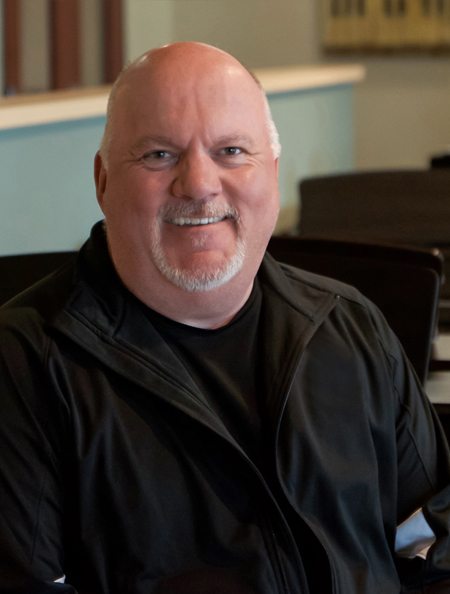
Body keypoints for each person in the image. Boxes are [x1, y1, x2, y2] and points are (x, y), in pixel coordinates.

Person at [0, 42, 450, 594]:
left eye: (232, 150)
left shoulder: (352, 328)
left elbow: (431, 553)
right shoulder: (21, 365)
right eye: (159, 155)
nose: (199, 184)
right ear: (102, 182)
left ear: (274, 174)